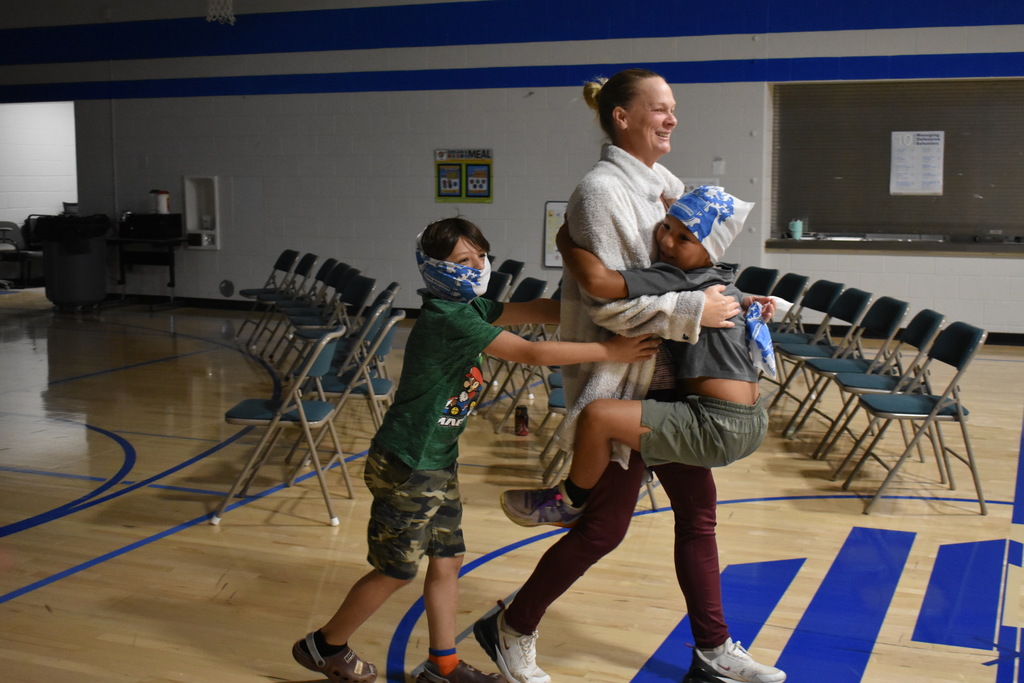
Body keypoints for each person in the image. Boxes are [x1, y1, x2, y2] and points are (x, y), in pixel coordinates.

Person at [472, 69, 786, 683]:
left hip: (668, 384)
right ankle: (511, 626)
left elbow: (693, 254)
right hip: (626, 383)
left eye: (674, 109)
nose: (673, 120)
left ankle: (713, 650)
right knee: (602, 529)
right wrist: (701, 308)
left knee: (697, 517)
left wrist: (736, 301)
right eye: (660, 109)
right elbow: (609, 302)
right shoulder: (601, 191)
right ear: (623, 117)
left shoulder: (658, 185)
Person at [291, 217, 660, 683]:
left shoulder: (471, 306)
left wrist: (599, 301)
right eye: (463, 261)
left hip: (437, 460)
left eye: (481, 256)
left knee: (448, 559)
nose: (477, 266)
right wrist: (611, 352)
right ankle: (324, 646)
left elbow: (538, 309)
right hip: (408, 462)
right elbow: (532, 353)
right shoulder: (450, 317)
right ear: (434, 269)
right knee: (396, 570)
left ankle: (441, 666)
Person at [500, 185, 776, 528]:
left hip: (717, 424)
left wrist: (565, 242)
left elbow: (599, 282)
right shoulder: (722, 276)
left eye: (684, 238)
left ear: (709, 250)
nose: (667, 242)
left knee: (599, 416)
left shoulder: (676, 277)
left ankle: (569, 501)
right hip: (748, 418)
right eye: (665, 227)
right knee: (694, 522)